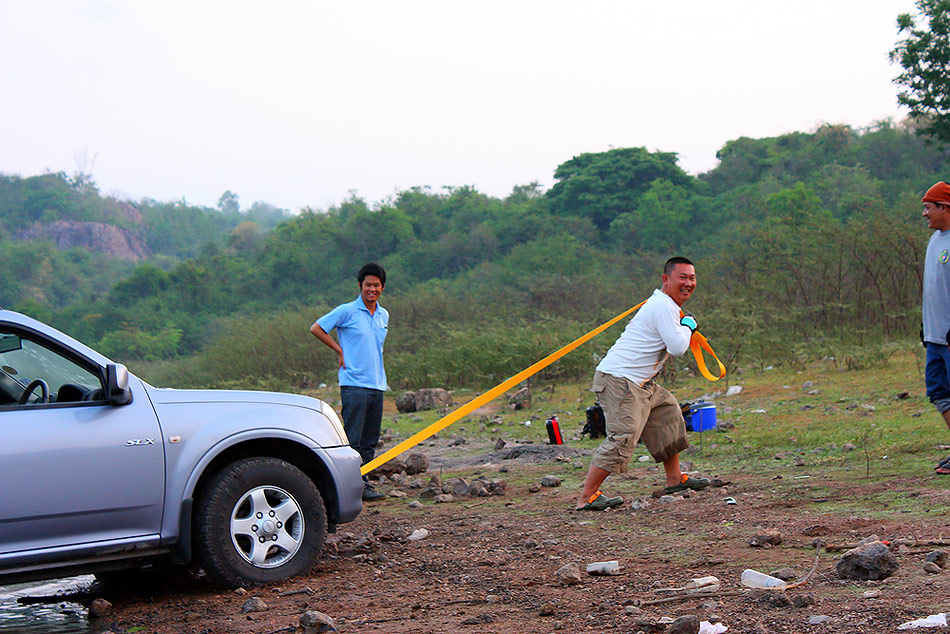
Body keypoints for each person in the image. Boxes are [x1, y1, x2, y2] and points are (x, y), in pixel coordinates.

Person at [575, 256, 710, 510]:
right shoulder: (662, 306)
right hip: (620, 381)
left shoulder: (665, 305)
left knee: (668, 413)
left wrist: (683, 324)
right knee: (623, 437)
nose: (689, 283)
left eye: (692, 278)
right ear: (665, 279)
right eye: (682, 277)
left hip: (642, 383)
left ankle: (674, 480)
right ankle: (587, 497)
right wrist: (689, 326)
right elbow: (678, 347)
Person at [311, 263, 389, 501]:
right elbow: (317, 327)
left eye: (376, 285)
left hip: (377, 384)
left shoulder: (384, 314)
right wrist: (339, 350)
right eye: (368, 285)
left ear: (382, 287)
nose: (371, 289)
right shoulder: (348, 311)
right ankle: (346, 488)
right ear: (360, 286)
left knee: (370, 440)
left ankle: (363, 484)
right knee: (352, 439)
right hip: (354, 384)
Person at [921, 182, 950, 475]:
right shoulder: (935, 242)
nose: (924, 213)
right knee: (939, 392)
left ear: (945, 207)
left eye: (928, 207)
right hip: (935, 337)